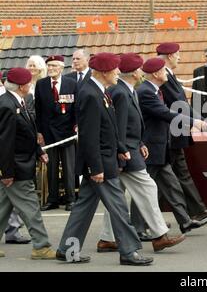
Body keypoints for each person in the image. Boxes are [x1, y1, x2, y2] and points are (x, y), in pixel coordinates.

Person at [56, 52, 152, 266]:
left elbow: (106, 127)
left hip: (103, 159)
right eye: (115, 69)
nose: (118, 72)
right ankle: (129, 251)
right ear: (105, 72)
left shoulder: (100, 91)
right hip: (100, 164)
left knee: (83, 209)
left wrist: (120, 147)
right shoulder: (91, 94)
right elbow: (89, 136)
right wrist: (96, 168)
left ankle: (66, 249)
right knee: (118, 207)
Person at [97, 53, 185, 252]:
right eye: (138, 69)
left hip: (130, 148)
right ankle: (159, 235)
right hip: (126, 153)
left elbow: (132, 123)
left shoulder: (128, 90)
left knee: (116, 196)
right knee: (148, 188)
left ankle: (107, 238)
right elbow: (117, 127)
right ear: (134, 73)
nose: (141, 72)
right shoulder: (120, 92)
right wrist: (123, 152)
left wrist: (140, 142)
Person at [137, 57, 207, 234]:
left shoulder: (154, 90)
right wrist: (195, 123)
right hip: (151, 149)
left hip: (160, 148)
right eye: (163, 70)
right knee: (144, 191)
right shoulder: (146, 91)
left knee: (172, 186)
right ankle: (139, 227)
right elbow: (165, 113)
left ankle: (184, 221)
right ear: (156, 73)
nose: (166, 73)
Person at [157, 42, 207, 221]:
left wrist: (199, 120)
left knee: (177, 175)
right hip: (171, 133)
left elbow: (182, 102)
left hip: (177, 132)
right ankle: (150, 220)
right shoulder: (164, 77)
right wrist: (199, 122)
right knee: (162, 178)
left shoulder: (168, 75)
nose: (180, 57)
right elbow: (180, 103)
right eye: (177, 54)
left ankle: (196, 210)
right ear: (169, 56)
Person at [0, 68, 57, 260]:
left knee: (2, 207)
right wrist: (6, 172)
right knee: (31, 207)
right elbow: (5, 143)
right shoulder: (7, 106)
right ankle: (41, 246)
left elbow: (26, 133)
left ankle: (41, 246)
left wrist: (39, 151)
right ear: (23, 86)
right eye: (29, 82)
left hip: (20, 163)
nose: (31, 84)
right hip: (15, 168)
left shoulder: (18, 102)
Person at [36, 55, 77, 211]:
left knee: (68, 168)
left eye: (54, 65)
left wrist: (77, 125)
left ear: (61, 67)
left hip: (67, 132)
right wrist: (39, 131)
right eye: (49, 65)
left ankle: (70, 199)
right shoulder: (41, 84)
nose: (51, 68)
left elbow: (77, 107)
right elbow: (38, 110)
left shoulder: (71, 83)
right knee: (51, 168)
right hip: (48, 133)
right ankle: (52, 199)